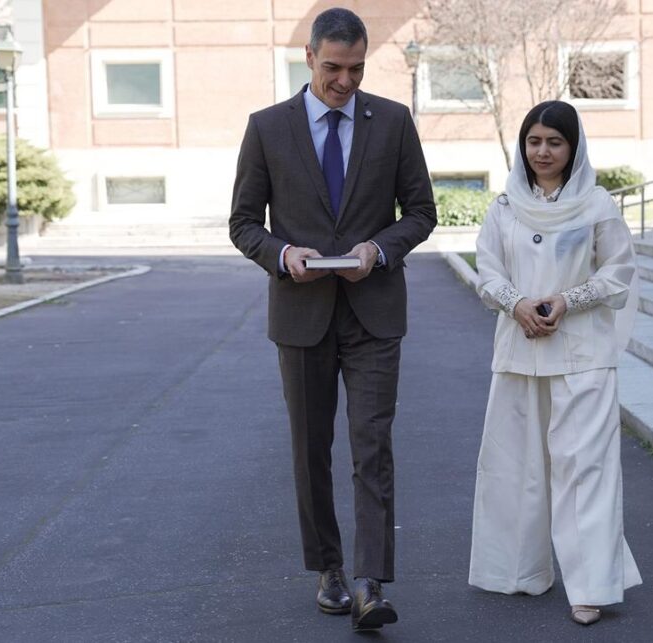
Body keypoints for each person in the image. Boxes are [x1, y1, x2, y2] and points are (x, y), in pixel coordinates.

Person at [228, 7, 436, 632]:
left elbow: (420, 212)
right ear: (309, 58)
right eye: (333, 68)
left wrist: (378, 249)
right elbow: (242, 223)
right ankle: (330, 571)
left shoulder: (394, 122)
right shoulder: (267, 128)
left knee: (372, 448)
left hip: (373, 310)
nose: (345, 81)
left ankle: (372, 582)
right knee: (310, 450)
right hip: (301, 314)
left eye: (356, 68)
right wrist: (283, 255)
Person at [468, 100, 642, 625]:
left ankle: (589, 586)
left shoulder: (597, 205)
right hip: (520, 350)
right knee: (514, 465)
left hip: (583, 353)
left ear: (573, 147)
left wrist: (570, 300)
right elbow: (487, 269)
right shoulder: (504, 207)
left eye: (554, 142)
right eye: (534, 141)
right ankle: (519, 571)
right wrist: (515, 302)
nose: (542, 152)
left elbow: (619, 271)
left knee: (584, 469)